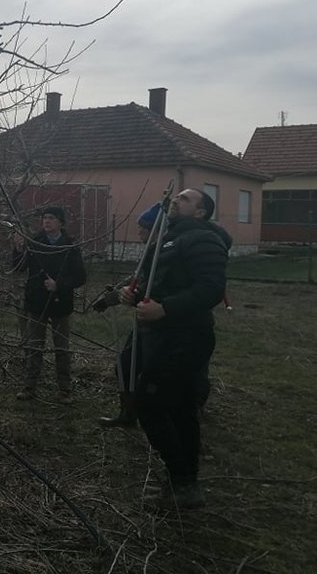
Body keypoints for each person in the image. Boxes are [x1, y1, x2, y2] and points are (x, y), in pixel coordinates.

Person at [119, 188, 229, 509]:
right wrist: (134, 296)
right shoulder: (170, 239)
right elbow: (159, 286)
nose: (175, 201)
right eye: (176, 197)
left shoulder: (202, 239)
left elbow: (211, 288)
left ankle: (182, 480)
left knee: (149, 403)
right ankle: (185, 484)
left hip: (186, 337)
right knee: (180, 409)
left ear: (201, 212)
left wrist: (165, 309)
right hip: (164, 335)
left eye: (185, 199)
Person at [93, 203, 162, 428]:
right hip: (143, 323)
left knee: (150, 373)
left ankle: (155, 418)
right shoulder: (150, 252)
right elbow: (134, 280)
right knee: (125, 365)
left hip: (160, 325)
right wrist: (109, 298)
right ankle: (128, 413)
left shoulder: (163, 254)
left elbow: (145, 287)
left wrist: (123, 297)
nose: (139, 232)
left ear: (154, 230)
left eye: (143, 228)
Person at [13, 205, 87, 403]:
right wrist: (19, 249)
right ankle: (29, 387)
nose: (46, 221)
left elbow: (80, 276)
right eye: (45, 217)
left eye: (51, 218)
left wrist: (59, 285)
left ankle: (65, 389)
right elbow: (19, 267)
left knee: (61, 348)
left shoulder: (70, 246)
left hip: (60, 303)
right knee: (34, 346)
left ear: (61, 223)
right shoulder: (34, 242)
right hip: (36, 301)